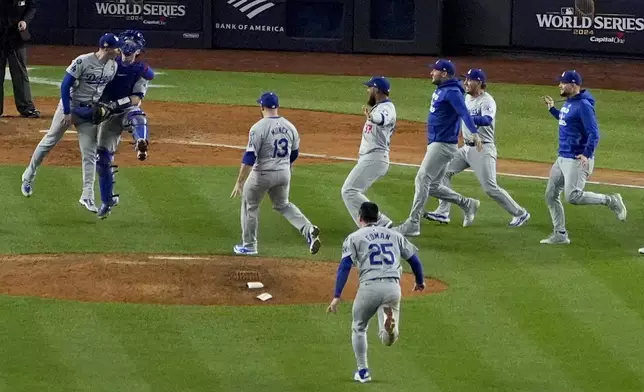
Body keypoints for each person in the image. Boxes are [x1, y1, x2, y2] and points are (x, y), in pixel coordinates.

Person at [20, 33, 121, 214]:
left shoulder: (113, 66)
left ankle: (87, 195)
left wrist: (103, 108)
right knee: (50, 140)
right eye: (115, 48)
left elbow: (105, 92)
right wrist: (66, 111)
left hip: (89, 113)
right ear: (106, 48)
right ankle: (29, 174)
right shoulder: (83, 61)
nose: (118, 50)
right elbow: (65, 85)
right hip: (71, 108)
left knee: (89, 154)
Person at [327, 201, 425, 384]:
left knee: (359, 327)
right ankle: (389, 327)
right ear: (378, 218)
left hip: (369, 288)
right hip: (393, 288)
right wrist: (419, 282)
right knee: (388, 340)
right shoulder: (394, 235)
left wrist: (336, 295)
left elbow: (344, 267)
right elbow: (415, 261)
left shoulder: (354, 237)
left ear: (360, 218)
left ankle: (363, 371)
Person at [424, 68, 530, 227]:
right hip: (465, 148)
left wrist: (467, 117)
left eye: (469, 80)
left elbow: (487, 120)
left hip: (483, 149)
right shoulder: (466, 98)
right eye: (465, 79)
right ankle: (443, 211)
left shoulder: (487, 101)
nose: (465, 83)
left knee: (490, 188)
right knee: (443, 173)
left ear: (479, 82)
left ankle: (520, 213)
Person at [393, 59, 483, 237]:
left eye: (434, 71)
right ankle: (467, 203)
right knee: (433, 185)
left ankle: (413, 223)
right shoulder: (443, 89)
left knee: (422, 179)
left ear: (443, 73)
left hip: (442, 144)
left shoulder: (452, 92)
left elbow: (463, 112)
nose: (430, 73)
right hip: (438, 143)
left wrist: (474, 133)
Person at [540, 70, 626, 244]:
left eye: (563, 83)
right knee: (550, 195)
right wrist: (552, 110)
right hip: (562, 157)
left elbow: (594, 133)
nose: (559, 85)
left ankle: (610, 200)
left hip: (577, 159)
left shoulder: (584, 105)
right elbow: (566, 120)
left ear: (573, 85)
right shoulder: (570, 102)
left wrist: (587, 154)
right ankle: (560, 234)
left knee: (573, 197)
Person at [230, 91, 321, 255]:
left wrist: (240, 181)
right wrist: (287, 166)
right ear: (277, 107)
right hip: (284, 173)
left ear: (262, 107)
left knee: (250, 205)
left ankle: (249, 246)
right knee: (283, 205)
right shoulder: (290, 126)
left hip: (262, 174)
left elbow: (250, 157)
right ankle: (308, 229)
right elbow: (294, 154)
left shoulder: (258, 128)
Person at [95, 29, 154, 219]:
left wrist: (115, 104)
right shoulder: (107, 64)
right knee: (102, 159)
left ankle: (140, 142)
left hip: (125, 110)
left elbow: (136, 99)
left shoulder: (141, 71)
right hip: (106, 114)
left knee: (137, 115)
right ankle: (107, 200)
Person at [341, 76, 396, 228]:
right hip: (371, 158)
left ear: (376, 89)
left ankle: (378, 222)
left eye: (369, 87)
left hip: (375, 157)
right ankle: (375, 223)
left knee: (349, 190)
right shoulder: (379, 106)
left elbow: (383, 118)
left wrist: (373, 117)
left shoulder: (387, 108)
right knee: (352, 191)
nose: (367, 90)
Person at [0, 0, 39, 117]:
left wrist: (25, 21)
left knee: (20, 74)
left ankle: (26, 107)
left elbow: (31, 7)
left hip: (16, 37)